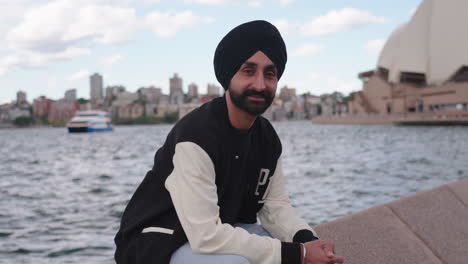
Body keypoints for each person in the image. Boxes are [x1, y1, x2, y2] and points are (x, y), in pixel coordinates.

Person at [114, 20, 344, 264]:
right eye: (248, 71)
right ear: (228, 76)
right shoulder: (197, 136)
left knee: (283, 248)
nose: (259, 84)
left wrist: (307, 241)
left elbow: (274, 204)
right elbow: (207, 236)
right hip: (157, 246)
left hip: (216, 233)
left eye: (269, 73)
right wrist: (300, 255)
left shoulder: (266, 137)